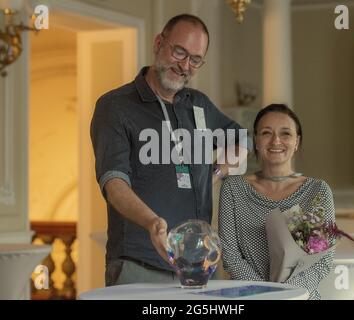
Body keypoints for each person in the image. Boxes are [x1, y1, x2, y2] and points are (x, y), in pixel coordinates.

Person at [90, 14, 249, 286]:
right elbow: (114, 183)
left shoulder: (199, 104)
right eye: (179, 52)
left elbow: (242, 140)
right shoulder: (115, 106)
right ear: (158, 43)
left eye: (195, 59)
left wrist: (216, 171)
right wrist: (152, 222)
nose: (185, 65)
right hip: (139, 264)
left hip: (196, 266)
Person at [218, 104, 335, 300]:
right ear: (255, 141)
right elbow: (231, 257)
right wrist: (265, 296)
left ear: (297, 142)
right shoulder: (233, 188)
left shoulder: (316, 191)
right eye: (266, 133)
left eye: (286, 134)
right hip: (250, 298)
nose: (276, 141)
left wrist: (286, 296)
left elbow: (320, 261)